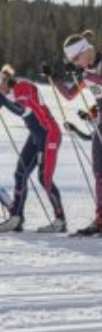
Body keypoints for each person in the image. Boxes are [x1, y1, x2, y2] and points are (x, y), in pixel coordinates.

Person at [50, 30, 102, 236]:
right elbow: (70, 95)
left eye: (76, 59)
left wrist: (85, 74)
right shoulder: (85, 69)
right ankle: (101, 220)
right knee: (98, 171)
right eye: (72, 61)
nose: (76, 64)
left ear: (86, 51)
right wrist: (53, 78)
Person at [0, 65, 66, 232]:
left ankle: (60, 221)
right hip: (36, 136)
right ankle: (16, 217)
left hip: (49, 134)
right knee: (20, 173)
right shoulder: (9, 92)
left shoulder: (22, 86)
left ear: (4, 81)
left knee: (44, 178)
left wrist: (3, 100)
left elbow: (22, 110)